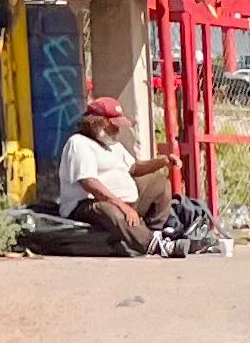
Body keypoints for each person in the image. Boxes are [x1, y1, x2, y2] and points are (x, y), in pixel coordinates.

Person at [49, 93, 168, 254]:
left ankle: (155, 232)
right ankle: (150, 244)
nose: (118, 129)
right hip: (87, 205)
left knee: (159, 183)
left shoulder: (112, 144)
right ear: (98, 123)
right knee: (111, 211)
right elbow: (89, 183)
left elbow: (134, 168)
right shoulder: (78, 143)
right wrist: (121, 205)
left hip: (124, 201)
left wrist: (161, 162)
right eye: (114, 125)